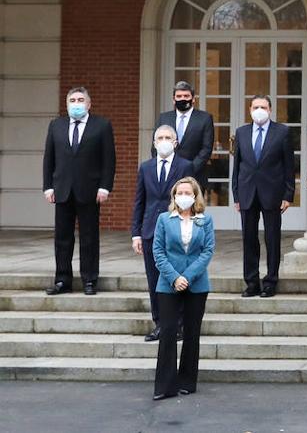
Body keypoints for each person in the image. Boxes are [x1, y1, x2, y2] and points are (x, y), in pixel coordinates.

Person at [43, 86, 116, 296]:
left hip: (90, 190)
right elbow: (49, 158)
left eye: (80, 100)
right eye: (72, 100)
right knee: (62, 238)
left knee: (89, 237)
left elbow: (109, 160)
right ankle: (62, 280)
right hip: (62, 190)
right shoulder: (56, 125)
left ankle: (89, 280)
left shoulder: (101, 126)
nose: (76, 104)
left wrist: (105, 186)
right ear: (67, 104)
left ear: (89, 104)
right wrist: (48, 186)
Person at [151, 177, 215, 401]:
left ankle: (187, 381)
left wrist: (187, 277)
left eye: (188, 192)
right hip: (168, 284)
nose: (183, 196)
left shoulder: (204, 221)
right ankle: (165, 385)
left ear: (195, 196)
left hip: (196, 284)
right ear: (174, 196)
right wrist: (174, 277)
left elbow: (207, 251)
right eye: (180, 193)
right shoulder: (163, 220)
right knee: (168, 332)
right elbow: (158, 252)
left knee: (191, 333)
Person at [131, 125, 195, 341]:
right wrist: (136, 233)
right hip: (150, 231)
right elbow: (140, 201)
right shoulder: (146, 167)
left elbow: (192, 199)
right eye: (160, 137)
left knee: (177, 278)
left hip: (177, 231)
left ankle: (178, 325)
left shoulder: (186, 166)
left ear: (176, 142)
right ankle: (159, 323)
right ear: (154, 142)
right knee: (154, 280)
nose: (164, 140)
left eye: (169, 137)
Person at [231, 94, 295, 298]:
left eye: (263, 107)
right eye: (256, 106)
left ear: (270, 110)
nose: (259, 110)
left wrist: (288, 194)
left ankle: (270, 281)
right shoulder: (241, 132)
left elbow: (288, 166)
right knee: (249, 238)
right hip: (247, 192)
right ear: (250, 109)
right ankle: (251, 282)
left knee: (272, 238)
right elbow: (237, 166)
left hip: (273, 192)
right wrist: (236, 195)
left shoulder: (282, 132)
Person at [154, 81, 215, 192]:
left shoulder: (205, 118)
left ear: (193, 99)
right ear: (174, 99)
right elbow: (155, 147)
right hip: (167, 176)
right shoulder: (164, 118)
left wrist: (189, 169)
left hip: (195, 176)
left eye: (186, 96)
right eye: (179, 96)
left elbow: (206, 149)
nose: (183, 99)